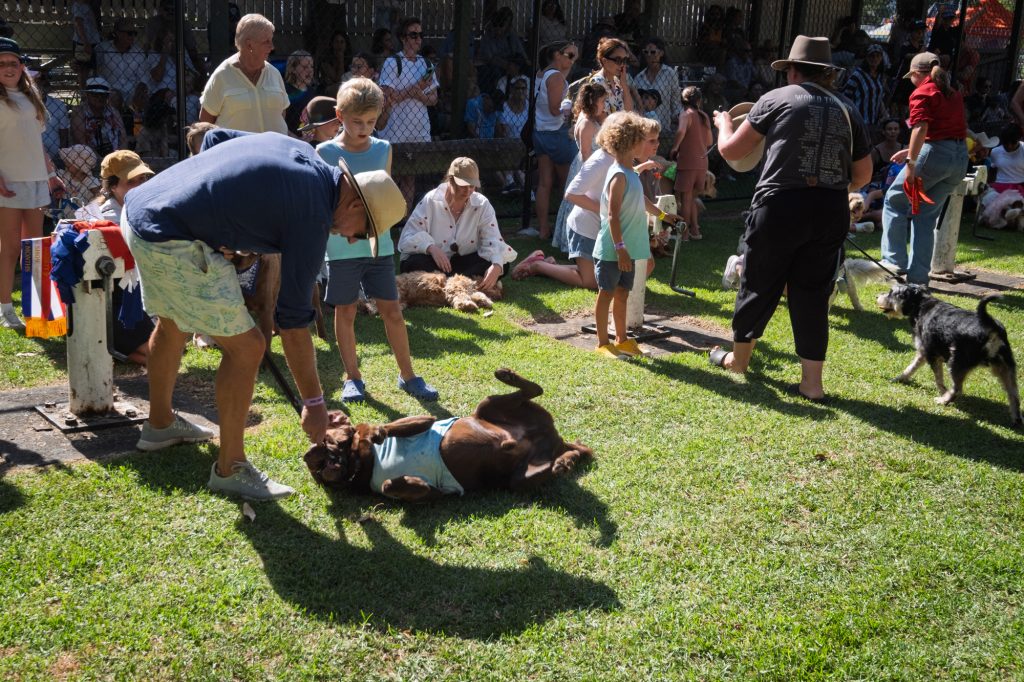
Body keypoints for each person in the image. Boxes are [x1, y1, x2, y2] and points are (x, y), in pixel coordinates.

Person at [122, 129, 405, 500]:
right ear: (354, 204)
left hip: (141, 209)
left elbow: (213, 139)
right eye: (363, 232)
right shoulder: (313, 216)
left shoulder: (303, 153)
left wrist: (222, 221)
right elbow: (293, 321)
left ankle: (160, 425)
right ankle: (230, 469)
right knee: (248, 348)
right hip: (169, 236)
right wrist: (314, 404)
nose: (352, 239)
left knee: (173, 322)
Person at [710, 35, 872, 401]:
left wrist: (723, 123)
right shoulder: (848, 108)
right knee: (814, 292)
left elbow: (731, 151)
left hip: (780, 205)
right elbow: (862, 175)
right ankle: (812, 384)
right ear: (827, 73)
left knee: (758, 282)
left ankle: (738, 361)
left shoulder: (774, 99)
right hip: (830, 209)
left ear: (793, 71)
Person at [315, 78, 438, 404]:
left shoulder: (383, 148)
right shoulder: (324, 152)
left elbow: (383, 199)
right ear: (340, 115)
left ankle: (408, 376)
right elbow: (324, 203)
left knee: (392, 311)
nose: (365, 128)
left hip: (379, 246)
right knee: (346, 311)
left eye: (371, 121)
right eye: (357, 121)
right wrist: (341, 231)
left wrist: (373, 230)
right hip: (341, 248)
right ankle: (353, 377)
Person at [513, 113, 676, 289]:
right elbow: (571, 194)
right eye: (647, 140)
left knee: (642, 266)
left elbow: (633, 192)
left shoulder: (623, 161)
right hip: (585, 230)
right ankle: (538, 266)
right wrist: (606, 211)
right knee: (590, 281)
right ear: (627, 141)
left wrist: (662, 215)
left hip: (605, 228)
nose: (655, 145)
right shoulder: (600, 161)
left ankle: (552, 264)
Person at [880, 52, 968, 286]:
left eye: (911, 77)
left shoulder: (922, 92)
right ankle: (918, 280)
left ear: (917, 74)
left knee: (894, 201)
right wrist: (910, 152)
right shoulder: (953, 93)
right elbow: (947, 130)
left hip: (934, 155)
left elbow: (920, 128)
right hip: (959, 157)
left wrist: (911, 163)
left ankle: (893, 264)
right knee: (926, 217)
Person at [0, 38, 65, 330]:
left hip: (37, 180)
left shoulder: (31, 98)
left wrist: (51, 176)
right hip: (8, 182)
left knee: (34, 247)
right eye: (1, 64)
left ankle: (38, 308)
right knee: (10, 247)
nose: (8, 68)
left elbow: (36, 142)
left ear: (22, 67)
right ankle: (5, 308)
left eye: (13, 63)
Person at [75, 150, 156, 365]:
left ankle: (119, 351)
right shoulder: (108, 218)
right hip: (115, 300)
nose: (140, 185)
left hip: (137, 292)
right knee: (158, 353)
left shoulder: (141, 208)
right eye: (131, 181)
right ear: (112, 186)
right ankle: (115, 348)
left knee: (167, 350)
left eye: (143, 179)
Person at [398, 157, 516, 290]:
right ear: (450, 180)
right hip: (434, 262)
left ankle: (446, 283)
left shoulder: (482, 204)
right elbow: (408, 236)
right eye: (463, 186)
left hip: (464, 262)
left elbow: (492, 238)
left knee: (501, 264)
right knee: (413, 263)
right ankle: (464, 283)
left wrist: (496, 265)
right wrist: (431, 248)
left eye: (472, 186)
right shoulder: (431, 200)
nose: (468, 191)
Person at [591, 110, 651, 360]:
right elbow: (613, 216)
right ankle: (603, 343)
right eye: (643, 140)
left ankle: (622, 339)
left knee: (623, 293)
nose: (646, 144)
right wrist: (620, 248)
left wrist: (663, 215)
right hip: (613, 250)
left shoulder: (630, 173)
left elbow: (640, 202)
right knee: (606, 293)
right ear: (631, 142)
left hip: (627, 249)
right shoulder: (618, 176)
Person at [377, 17, 438, 207]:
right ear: (403, 38)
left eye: (420, 35)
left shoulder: (426, 64)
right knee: (392, 176)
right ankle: (387, 216)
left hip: (418, 129)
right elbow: (388, 96)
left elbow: (433, 99)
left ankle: (405, 219)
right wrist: (416, 89)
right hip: (395, 130)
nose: (418, 39)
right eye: (413, 35)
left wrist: (415, 93)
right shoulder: (393, 62)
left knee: (410, 177)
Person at [199, 13, 288, 135]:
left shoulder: (274, 74)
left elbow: (281, 113)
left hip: (274, 147)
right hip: (236, 147)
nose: (272, 47)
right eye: (266, 41)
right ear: (249, 44)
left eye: (271, 40)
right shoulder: (222, 75)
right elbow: (206, 121)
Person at [525, 40, 577, 240]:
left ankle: (544, 229)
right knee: (568, 183)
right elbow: (556, 109)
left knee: (544, 183)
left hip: (541, 133)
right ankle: (564, 229)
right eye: (570, 56)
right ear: (557, 55)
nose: (573, 61)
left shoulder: (542, 74)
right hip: (557, 134)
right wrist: (574, 108)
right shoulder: (555, 77)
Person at [552, 81, 608, 253]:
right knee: (583, 200)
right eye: (602, 101)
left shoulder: (591, 119)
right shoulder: (586, 123)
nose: (604, 105)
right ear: (592, 101)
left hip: (593, 164)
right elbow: (585, 152)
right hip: (588, 166)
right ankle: (573, 242)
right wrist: (595, 174)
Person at [670, 86, 713, 241]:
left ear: (682, 100)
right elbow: (709, 141)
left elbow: (681, 131)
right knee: (693, 198)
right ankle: (695, 230)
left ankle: (684, 234)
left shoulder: (685, 114)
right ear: (699, 100)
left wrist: (675, 148)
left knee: (685, 199)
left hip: (688, 161)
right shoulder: (704, 116)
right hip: (702, 162)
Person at [632, 37, 681, 136]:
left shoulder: (669, 74)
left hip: (663, 127)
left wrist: (678, 119)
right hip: (644, 128)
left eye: (653, 52)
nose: (649, 55)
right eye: (646, 52)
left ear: (661, 53)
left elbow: (675, 101)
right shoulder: (639, 77)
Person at [95, 18, 148, 108]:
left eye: (134, 33)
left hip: (133, 92)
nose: (132, 36)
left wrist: (140, 91)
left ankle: (135, 116)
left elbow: (143, 78)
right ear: (118, 33)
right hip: (110, 91)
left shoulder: (139, 52)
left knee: (142, 98)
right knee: (114, 97)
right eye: (129, 33)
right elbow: (97, 74)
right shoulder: (102, 49)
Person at [71, 77, 129, 156]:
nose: (99, 98)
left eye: (103, 95)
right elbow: (81, 141)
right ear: (88, 95)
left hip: (114, 154)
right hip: (88, 156)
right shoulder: (79, 111)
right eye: (95, 95)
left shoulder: (113, 111)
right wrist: (99, 159)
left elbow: (123, 137)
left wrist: (120, 156)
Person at [841, 43, 887, 131]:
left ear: (881, 58)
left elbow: (878, 97)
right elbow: (845, 97)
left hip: (874, 122)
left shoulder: (880, 76)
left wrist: (884, 114)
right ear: (867, 58)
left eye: (878, 56)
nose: (875, 59)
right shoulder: (857, 75)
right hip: (859, 121)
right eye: (872, 56)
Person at [590, 37, 635, 115]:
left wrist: (624, 84)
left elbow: (629, 111)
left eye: (624, 60)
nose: (622, 65)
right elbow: (601, 118)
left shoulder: (617, 82)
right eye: (618, 60)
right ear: (605, 61)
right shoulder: (597, 83)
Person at [283, 50, 317, 134]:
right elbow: (281, 123)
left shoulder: (312, 91)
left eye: (311, 66)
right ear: (293, 69)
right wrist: (295, 138)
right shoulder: (285, 91)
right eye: (305, 67)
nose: (310, 70)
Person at [988, 124, 1024, 194]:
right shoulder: (995, 151)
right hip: (999, 188)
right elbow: (992, 172)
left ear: (1019, 139)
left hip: (1021, 188)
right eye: (1006, 143)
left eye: (1013, 143)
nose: (1009, 146)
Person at [317, 29, 351, 95]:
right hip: (326, 90)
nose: (339, 45)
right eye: (336, 42)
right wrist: (341, 60)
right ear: (332, 44)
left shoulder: (350, 59)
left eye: (342, 42)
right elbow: (338, 79)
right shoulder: (326, 59)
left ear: (346, 45)